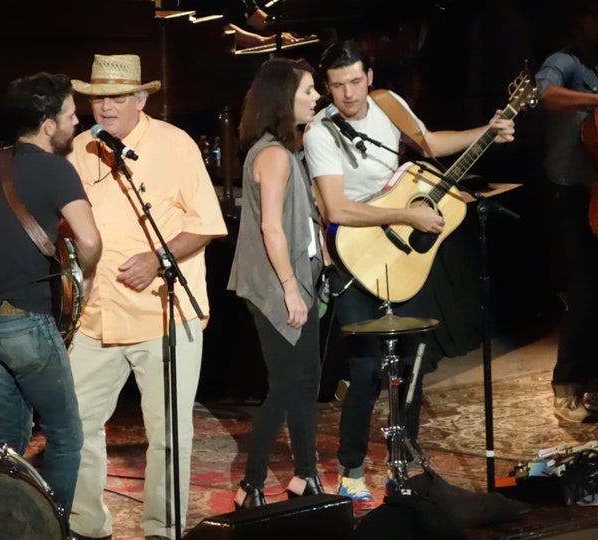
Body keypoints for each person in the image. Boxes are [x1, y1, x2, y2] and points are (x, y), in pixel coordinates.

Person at [302, 39, 516, 506]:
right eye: (338, 86)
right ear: (327, 87)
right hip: (352, 259)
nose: (349, 94)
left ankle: (406, 460)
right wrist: (405, 217)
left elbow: (431, 144)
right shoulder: (320, 133)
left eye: (356, 82)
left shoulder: (388, 106)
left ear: (370, 77)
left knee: (413, 363)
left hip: (401, 257)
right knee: (365, 370)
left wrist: (486, 131)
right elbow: (336, 208)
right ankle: (352, 468)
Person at [66, 54, 228, 540]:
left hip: (163, 313)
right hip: (96, 317)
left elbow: (205, 224)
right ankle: (88, 527)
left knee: (169, 436)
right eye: (98, 97)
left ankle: (163, 530)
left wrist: (159, 258)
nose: (105, 107)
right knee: (75, 426)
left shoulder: (173, 145)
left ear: (141, 99)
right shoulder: (80, 148)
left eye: (116, 97)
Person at [0, 72, 102, 528]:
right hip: (28, 326)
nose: (76, 121)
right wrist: (88, 271)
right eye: (69, 114)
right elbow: (90, 239)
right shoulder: (58, 169)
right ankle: (48, 528)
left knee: (9, 437)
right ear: (47, 124)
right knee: (65, 435)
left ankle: (4, 527)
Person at [227, 57, 324, 509]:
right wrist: (289, 286)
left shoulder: (286, 151)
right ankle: (250, 484)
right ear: (285, 98)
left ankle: (306, 475)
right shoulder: (272, 154)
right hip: (275, 287)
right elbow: (271, 227)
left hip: (299, 283)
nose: (316, 97)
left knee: (306, 383)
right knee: (286, 385)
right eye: (308, 90)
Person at [534, 0, 598, 423]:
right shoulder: (564, 61)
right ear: (581, 21)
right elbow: (543, 94)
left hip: (595, 191)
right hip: (570, 194)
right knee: (584, 292)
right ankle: (567, 384)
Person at [180, 0, 300, 49]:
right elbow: (217, 27)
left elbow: (253, 15)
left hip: (237, 49)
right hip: (213, 55)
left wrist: (288, 28)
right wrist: (263, 41)